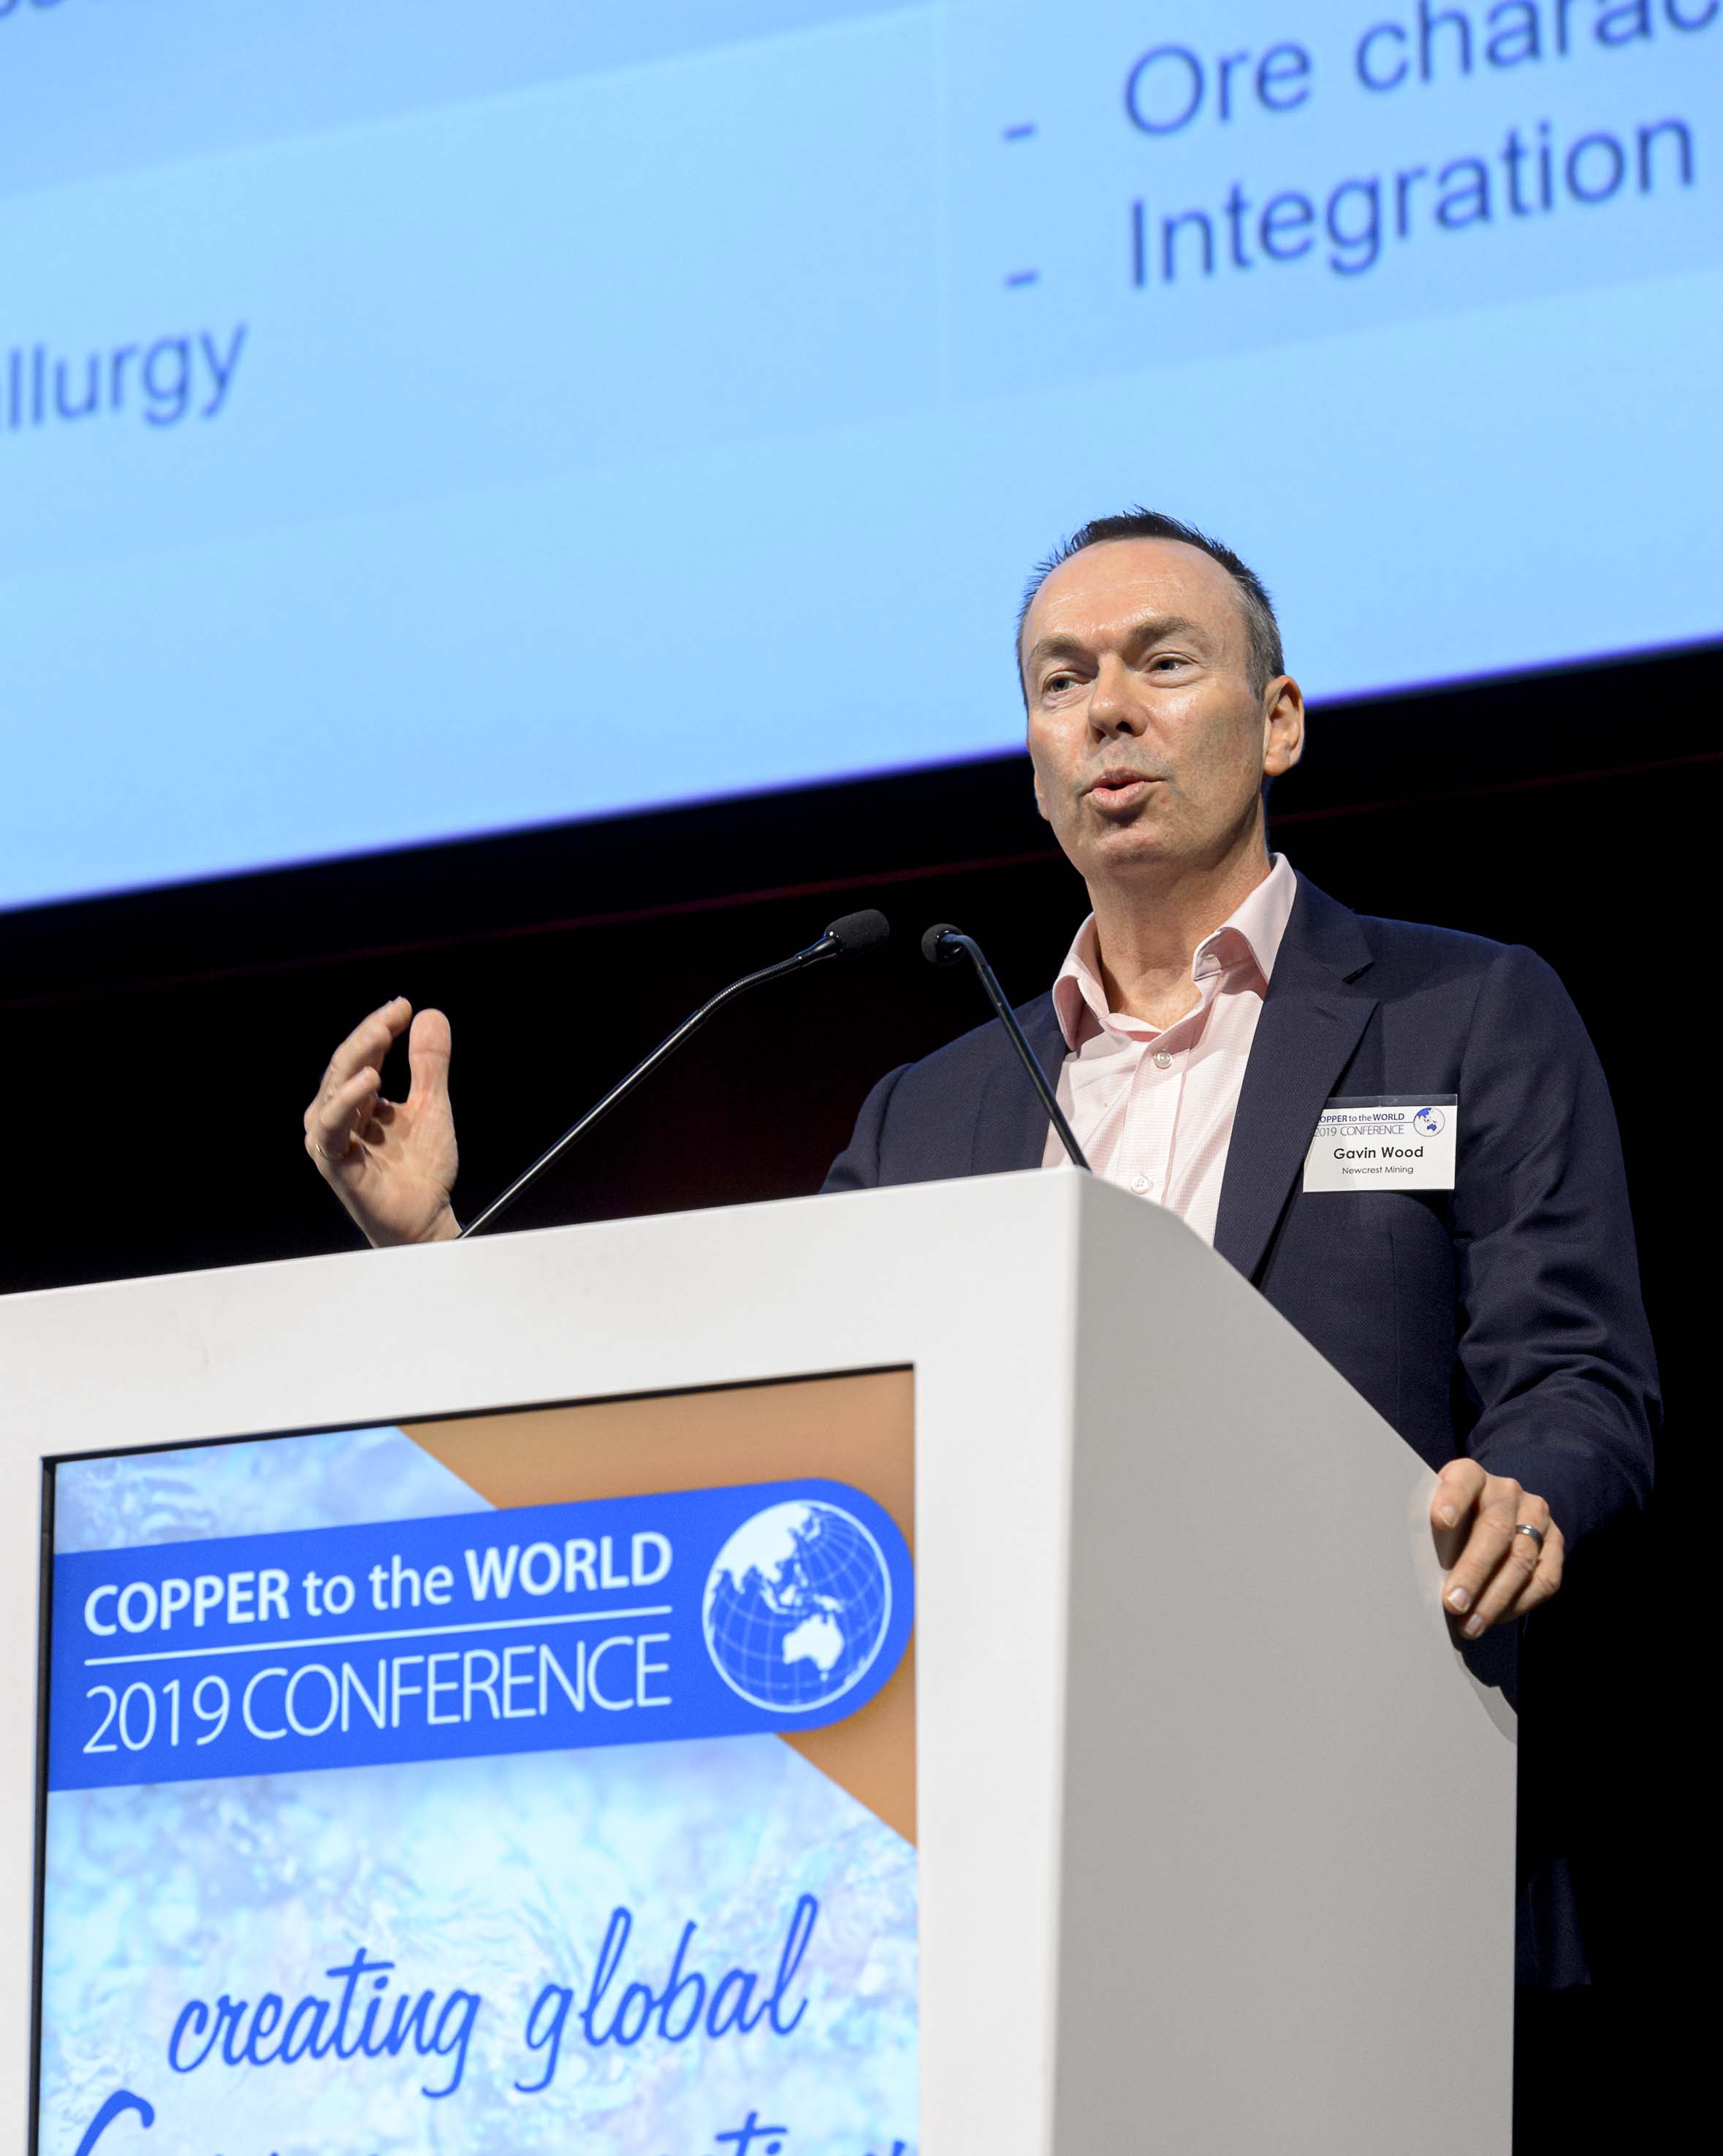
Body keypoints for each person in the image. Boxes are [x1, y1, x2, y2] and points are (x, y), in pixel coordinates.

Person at [304, 508, 1658, 1644]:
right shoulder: (928, 1115)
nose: (1106, 711)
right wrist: (435, 1259)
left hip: (1354, 1717)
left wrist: (1520, 1499)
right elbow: (753, 1424)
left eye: (1162, 664)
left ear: (1278, 723)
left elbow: (1575, 1378)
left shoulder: (1459, 1013)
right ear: (1034, 766)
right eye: (1060, 684)